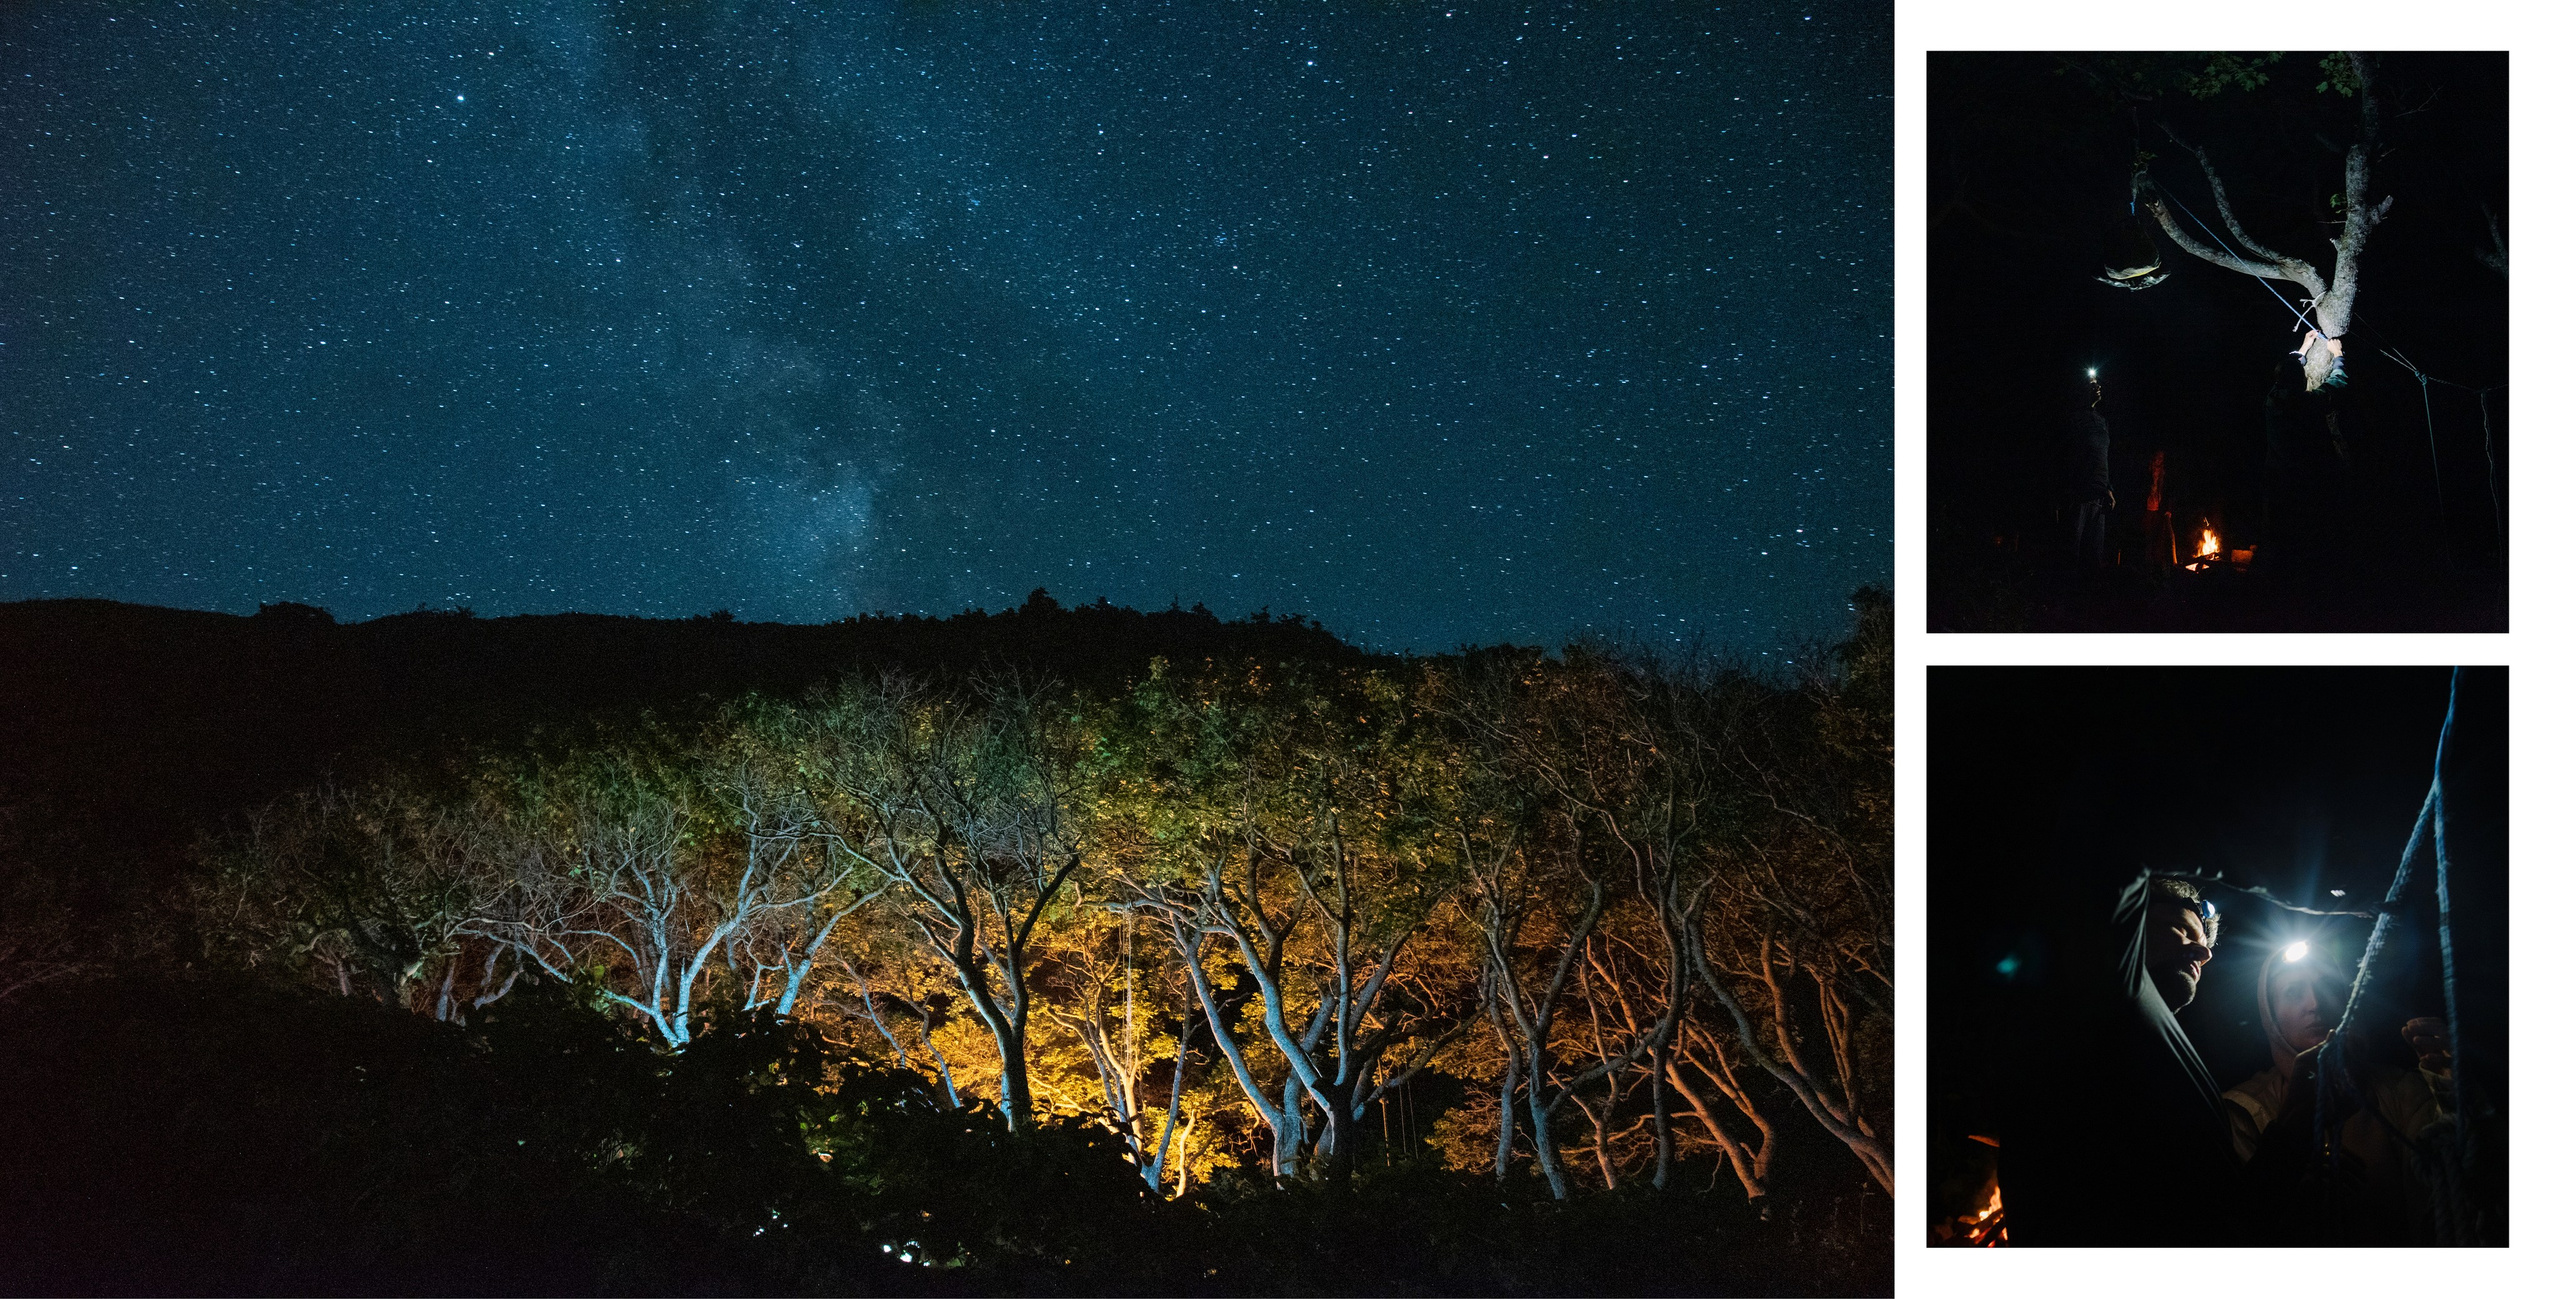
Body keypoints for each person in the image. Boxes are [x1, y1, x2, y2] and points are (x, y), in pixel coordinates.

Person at [1995, 873, 2243, 1244]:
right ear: (2129, 926)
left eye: (2204, 943)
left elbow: (2224, 1213)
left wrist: (2295, 1122)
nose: (2203, 952)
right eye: (2181, 929)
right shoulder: (2097, 1007)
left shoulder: (2172, 1058)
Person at [2223, 942, 2454, 1244]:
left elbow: (2457, 1185)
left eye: (2328, 987)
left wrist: (2452, 1087)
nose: (2315, 1003)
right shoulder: (2244, 1110)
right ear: (2271, 1015)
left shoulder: (2401, 1091)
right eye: (2293, 992)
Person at [2063, 377, 2115, 569]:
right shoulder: (2075, 419)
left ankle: (2089, 595)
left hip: (2099, 496)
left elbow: (2103, 456)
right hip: (2079, 495)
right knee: (2072, 552)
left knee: (2094, 555)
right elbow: (2067, 454)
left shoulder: (2102, 421)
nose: (2098, 387)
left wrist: (2108, 488)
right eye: (2092, 385)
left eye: (2098, 384)